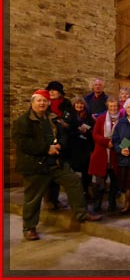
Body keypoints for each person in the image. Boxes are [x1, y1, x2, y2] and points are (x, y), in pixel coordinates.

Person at [12, 89, 102, 241]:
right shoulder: (23, 121)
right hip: (36, 165)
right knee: (33, 198)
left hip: (56, 162)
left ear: (48, 103)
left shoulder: (53, 118)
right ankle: (29, 228)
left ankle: (81, 213)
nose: (42, 103)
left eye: (45, 101)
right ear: (32, 102)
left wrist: (60, 145)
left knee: (73, 181)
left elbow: (64, 134)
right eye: (39, 100)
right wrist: (46, 149)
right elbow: (23, 142)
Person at [89, 96, 121, 212]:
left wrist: (118, 146)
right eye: (111, 106)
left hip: (115, 155)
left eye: (115, 106)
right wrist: (108, 142)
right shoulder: (101, 119)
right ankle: (98, 203)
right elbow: (95, 134)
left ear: (118, 107)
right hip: (101, 154)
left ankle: (112, 203)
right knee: (99, 183)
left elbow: (127, 136)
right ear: (108, 106)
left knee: (114, 182)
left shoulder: (122, 119)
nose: (113, 108)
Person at [44, 81, 73, 210]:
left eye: (54, 90)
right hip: (48, 143)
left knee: (59, 171)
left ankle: (55, 199)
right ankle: (48, 199)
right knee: (48, 173)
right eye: (50, 90)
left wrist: (66, 124)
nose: (52, 92)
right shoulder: (44, 104)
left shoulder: (66, 105)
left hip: (63, 142)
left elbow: (70, 121)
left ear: (60, 92)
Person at [67, 96, 95, 200]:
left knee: (86, 171)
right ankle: (74, 193)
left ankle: (85, 191)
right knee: (73, 171)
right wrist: (77, 131)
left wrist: (86, 132)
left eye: (81, 103)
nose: (79, 105)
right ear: (74, 105)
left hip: (86, 147)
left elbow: (92, 130)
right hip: (73, 147)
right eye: (77, 103)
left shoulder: (88, 117)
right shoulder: (70, 116)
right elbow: (68, 130)